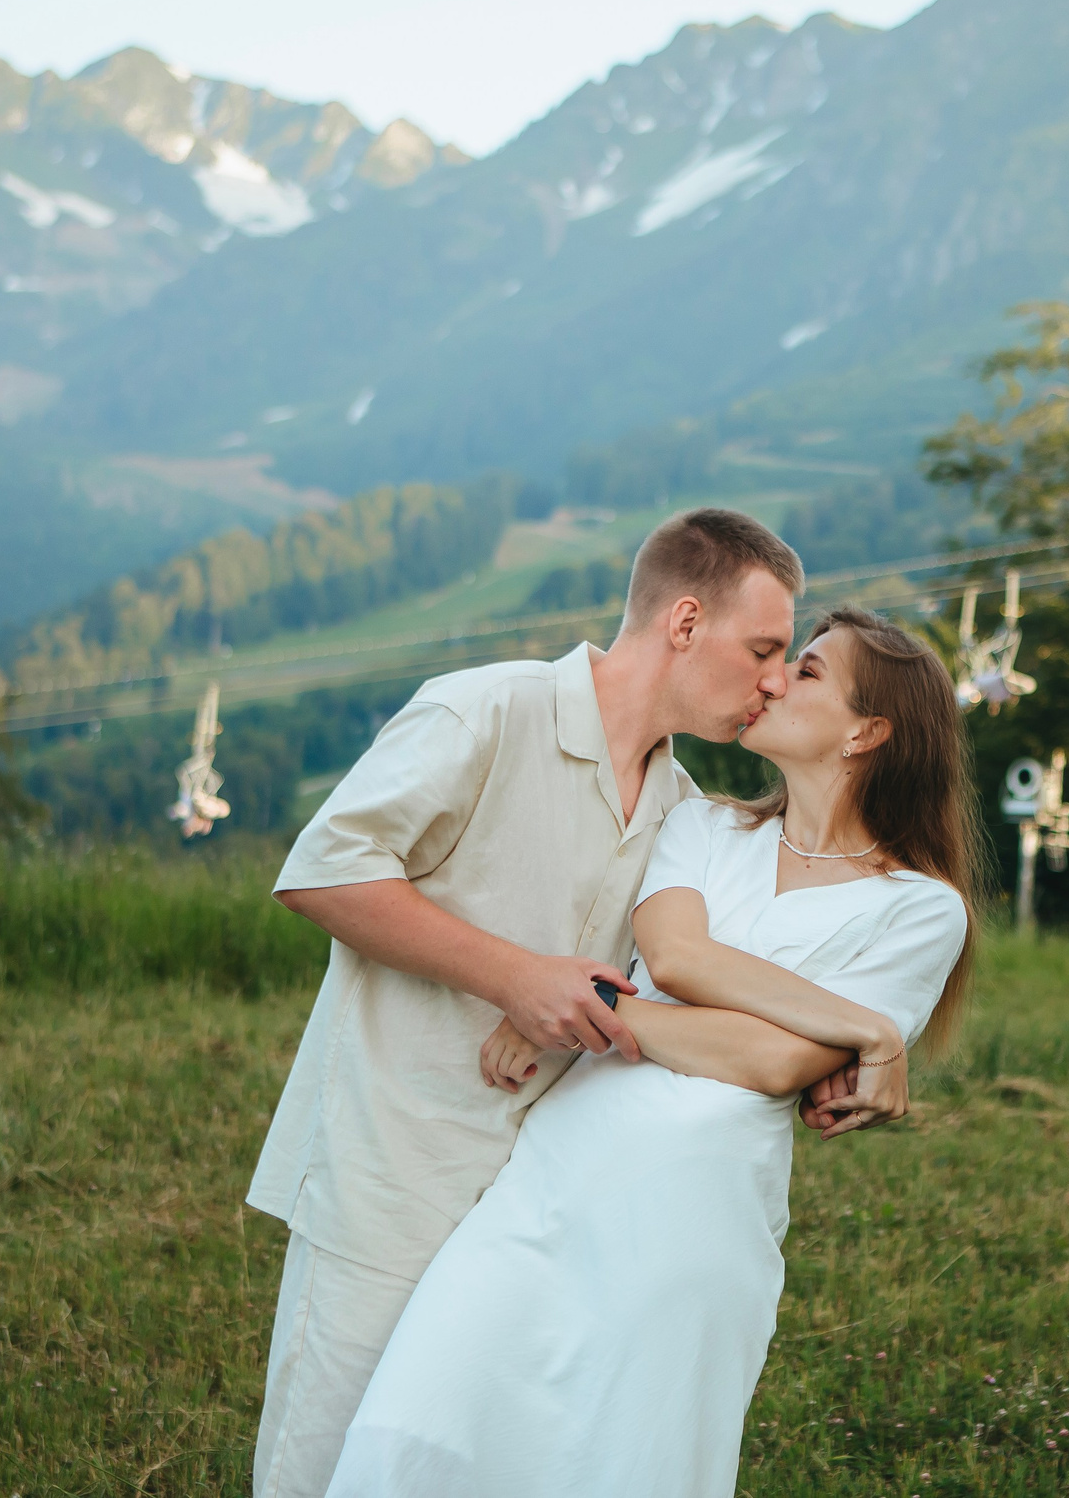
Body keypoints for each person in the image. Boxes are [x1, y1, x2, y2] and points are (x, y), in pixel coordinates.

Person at [326, 607, 985, 1498]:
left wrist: (595, 1012)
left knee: (623, 1465)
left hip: (695, 1228)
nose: (776, 677)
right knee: (425, 1427)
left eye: (811, 670)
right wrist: (861, 1027)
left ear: (868, 731)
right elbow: (677, 957)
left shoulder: (920, 909)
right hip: (554, 1179)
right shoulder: (705, 827)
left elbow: (775, 1064)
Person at [246, 508, 807, 1498]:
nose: (775, 680)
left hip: (531, 1215)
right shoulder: (484, 712)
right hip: (392, 1175)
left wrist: (849, 1056)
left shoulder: (684, 813)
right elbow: (322, 872)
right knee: (324, 1475)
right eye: (763, 648)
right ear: (684, 622)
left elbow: (697, 988)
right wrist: (515, 975)